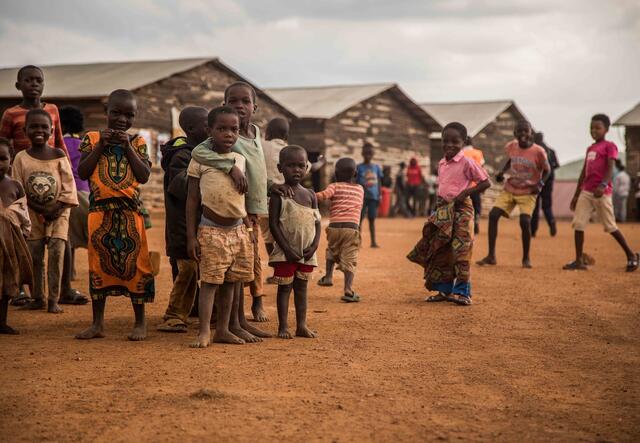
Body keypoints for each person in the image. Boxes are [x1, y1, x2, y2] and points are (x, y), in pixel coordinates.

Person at [190, 81, 270, 337]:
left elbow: (257, 170)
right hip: (230, 214)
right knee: (231, 273)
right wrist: (229, 167)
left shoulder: (254, 133)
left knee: (244, 271)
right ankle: (233, 323)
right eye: (233, 101)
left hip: (248, 214)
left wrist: (271, 188)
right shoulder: (226, 139)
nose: (239, 105)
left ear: (254, 106)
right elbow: (200, 153)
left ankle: (239, 322)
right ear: (224, 104)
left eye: (245, 101)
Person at [75, 89, 155, 341]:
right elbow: (84, 171)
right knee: (97, 265)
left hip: (130, 213)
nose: (122, 119)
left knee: (137, 266)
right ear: (106, 112)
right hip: (99, 212)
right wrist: (101, 145)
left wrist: (127, 146)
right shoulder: (91, 138)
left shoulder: (139, 141)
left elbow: (143, 175)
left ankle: (140, 323)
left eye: (129, 115)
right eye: (116, 113)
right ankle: (97, 323)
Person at [187, 106, 257, 348]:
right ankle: (204, 330)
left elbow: (241, 197)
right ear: (209, 131)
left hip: (238, 230)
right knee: (209, 282)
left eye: (234, 129)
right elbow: (192, 200)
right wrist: (191, 237)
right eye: (222, 129)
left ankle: (224, 330)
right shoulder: (199, 160)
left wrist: (248, 226)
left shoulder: (240, 159)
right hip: (211, 229)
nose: (229, 134)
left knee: (232, 281)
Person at [407, 122, 490, 306]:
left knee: (461, 248)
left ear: (464, 142)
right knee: (441, 248)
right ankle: (444, 291)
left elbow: (485, 182)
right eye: (446, 141)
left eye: (455, 141)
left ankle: (462, 292)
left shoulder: (468, 162)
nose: (450, 145)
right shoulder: (442, 163)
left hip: (462, 208)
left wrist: (465, 193)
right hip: (443, 209)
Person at [11, 109, 78, 313]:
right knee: (35, 255)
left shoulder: (59, 155)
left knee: (57, 253)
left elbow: (69, 186)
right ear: (25, 130)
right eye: (33, 127)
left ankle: (54, 300)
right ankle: (38, 297)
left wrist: (56, 208)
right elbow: (18, 189)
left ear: (51, 130)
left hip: (60, 212)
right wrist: (39, 208)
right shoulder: (21, 158)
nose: (39, 130)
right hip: (32, 214)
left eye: (43, 127)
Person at [563, 114, 638, 272]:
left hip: (602, 192)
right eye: (591, 128)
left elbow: (610, 168)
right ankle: (578, 260)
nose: (594, 131)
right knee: (578, 224)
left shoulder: (609, 146)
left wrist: (603, 185)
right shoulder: (590, 149)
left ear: (606, 129)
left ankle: (631, 255)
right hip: (586, 191)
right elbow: (584, 172)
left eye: (598, 128)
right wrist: (576, 194)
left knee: (610, 226)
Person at [156, 106, 208, 333]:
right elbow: (180, 185)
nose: (211, 128)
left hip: (199, 224)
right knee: (186, 270)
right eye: (206, 125)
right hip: (182, 225)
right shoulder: (182, 155)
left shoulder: (202, 152)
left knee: (201, 269)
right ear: (190, 129)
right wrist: (207, 175)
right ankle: (174, 314)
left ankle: (196, 307)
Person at [476, 120, 550, 268]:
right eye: (519, 131)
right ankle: (491, 256)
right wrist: (502, 173)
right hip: (511, 188)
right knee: (493, 215)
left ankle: (526, 258)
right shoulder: (511, 146)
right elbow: (511, 159)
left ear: (530, 133)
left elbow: (547, 170)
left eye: (525, 131)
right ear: (515, 134)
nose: (522, 134)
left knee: (525, 221)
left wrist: (540, 185)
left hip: (528, 191)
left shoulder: (538, 151)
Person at [269, 145, 320, 339]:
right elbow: (273, 225)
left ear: (307, 167)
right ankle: (283, 327)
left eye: (301, 165)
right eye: (291, 165)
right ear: (280, 168)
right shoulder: (279, 194)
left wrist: (315, 245)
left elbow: (317, 223)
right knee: (284, 288)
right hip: (285, 252)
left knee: (301, 288)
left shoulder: (310, 195)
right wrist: (287, 249)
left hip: (306, 252)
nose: (296, 170)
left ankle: (301, 325)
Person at [316, 157, 365, 302]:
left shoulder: (334, 186)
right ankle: (348, 290)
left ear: (335, 173)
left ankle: (328, 277)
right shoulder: (360, 189)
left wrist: (307, 195)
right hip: (351, 229)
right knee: (350, 258)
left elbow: (323, 196)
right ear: (355, 173)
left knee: (331, 250)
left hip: (334, 228)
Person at [0, 138, 33, 334]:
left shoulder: (15, 186)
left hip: (11, 244)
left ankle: (2, 322)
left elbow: (23, 216)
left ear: (10, 159)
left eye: (2, 158)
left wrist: (24, 235)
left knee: (7, 283)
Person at [0, 65, 68, 156]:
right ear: (18, 85)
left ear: (43, 85)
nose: (34, 84)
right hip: (23, 166)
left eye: (39, 81)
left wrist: (68, 166)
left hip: (50, 164)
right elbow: (3, 144)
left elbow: (59, 140)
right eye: (28, 80)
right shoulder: (11, 114)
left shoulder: (52, 109)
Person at [58, 106, 89, 305]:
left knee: (68, 237)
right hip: (86, 193)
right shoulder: (82, 144)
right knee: (88, 235)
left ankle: (69, 273)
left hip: (67, 194)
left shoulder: (60, 147)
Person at [531, 132, 559, 237]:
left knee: (535, 206)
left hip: (537, 181)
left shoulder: (535, 151)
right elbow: (555, 166)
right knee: (547, 206)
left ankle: (533, 231)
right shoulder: (551, 151)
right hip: (548, 181)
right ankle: (551, 221)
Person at [356, 143, 382, 247]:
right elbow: (355, 182)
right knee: (359, 219)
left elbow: (379, 182)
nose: (368, 156)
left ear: (373, 154)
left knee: (372, 219)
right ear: (363, 154)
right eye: (366, 153)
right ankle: (358, 242)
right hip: (361, 197)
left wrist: (379, 195)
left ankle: (373, 242)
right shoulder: (359, 167)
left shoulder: (376, 167)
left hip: (373, 197)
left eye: (370, 154)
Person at [462, 137, 486, 234]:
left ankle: (465, 225)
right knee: (476, 205)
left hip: (464, 186)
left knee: (464, 206)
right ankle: (476, 221)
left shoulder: (461, 153)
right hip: (476, 185)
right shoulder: (478, 153)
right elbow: (482, 168)